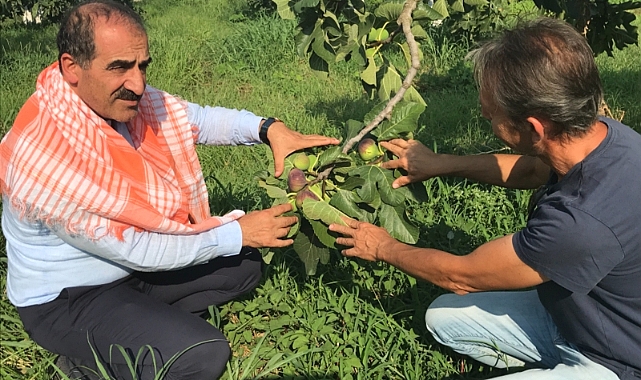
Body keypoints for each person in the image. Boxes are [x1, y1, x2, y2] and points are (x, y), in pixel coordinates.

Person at [0, 1, 339, 379]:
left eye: (142, 65)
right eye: (120, 68)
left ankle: (133, 335)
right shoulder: (46, 157)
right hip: (69, 298)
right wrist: (238, 232)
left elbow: (199, 120)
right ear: (71, 68)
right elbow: (139, 248)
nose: (138, 84)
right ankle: (88, 361)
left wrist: (268, 128)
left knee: (244, 266)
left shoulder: (117, 103)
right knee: (202, 354)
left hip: (125, 269)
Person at [330, 17, 640, 380]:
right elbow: (530, 170)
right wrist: (440, 164)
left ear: (533, 127)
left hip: (616, 361)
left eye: (491, 113)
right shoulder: (603, 135)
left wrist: (382, 247)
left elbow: (462, 276)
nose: (483, 115)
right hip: (577, 315)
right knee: (444, 319)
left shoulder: (580, 223)